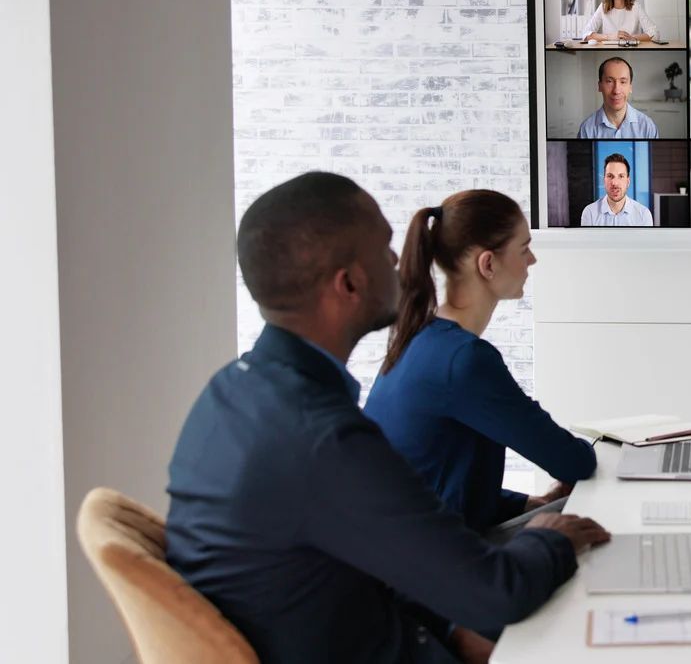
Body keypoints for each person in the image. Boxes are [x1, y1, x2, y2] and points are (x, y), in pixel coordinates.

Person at [166, 172, 610, 664]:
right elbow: (496, 592)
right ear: (349, 283)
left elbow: (371, 533)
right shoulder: (321, 437)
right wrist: (552, 537)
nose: (399, 261)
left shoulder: (233, 393)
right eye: (384, 249)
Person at [364, 189, 598, 536]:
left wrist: (525, 505)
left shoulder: (418, 337)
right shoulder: (464, 361)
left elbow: (432, 480)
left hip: (407, 553)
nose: (532, 260)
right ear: (488, 264)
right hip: (436, 567)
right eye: (523, 249)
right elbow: (574, 462)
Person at [576, 57, 658, 139]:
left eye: (623, 82)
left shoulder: (648, 127)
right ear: (600, 86)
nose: (616, 91)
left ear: (630, 87)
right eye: (609, 81)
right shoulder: (586, 129)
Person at [580, 153, 653, 227]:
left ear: (628, 182)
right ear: (604, 180)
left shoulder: (643, 215)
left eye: (621, 176)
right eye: (610, 176)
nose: (615, 183)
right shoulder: (589, 213)